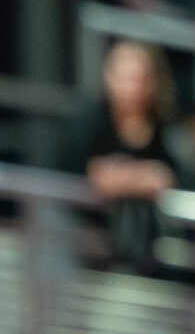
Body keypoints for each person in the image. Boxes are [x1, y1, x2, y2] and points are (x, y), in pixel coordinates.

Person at [59, 38, 178, 274]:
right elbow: (94, 177)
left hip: (144, 254)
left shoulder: (164, 128)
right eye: (123, 75)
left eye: (136, 77)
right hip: (83, 247)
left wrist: (124, 177)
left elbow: (167, 178)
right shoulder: (90, 120)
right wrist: (140, 178)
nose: (129, 86)